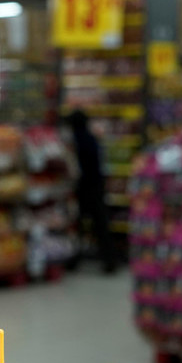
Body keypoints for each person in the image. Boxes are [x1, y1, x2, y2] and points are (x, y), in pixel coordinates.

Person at [67, 110, 118, 273]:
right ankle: (108, 259)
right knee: (100, 224)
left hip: (87, 187)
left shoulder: (79, 140)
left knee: (84, 224)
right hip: (96, 185)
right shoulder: (92, 139)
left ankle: (77, 258)